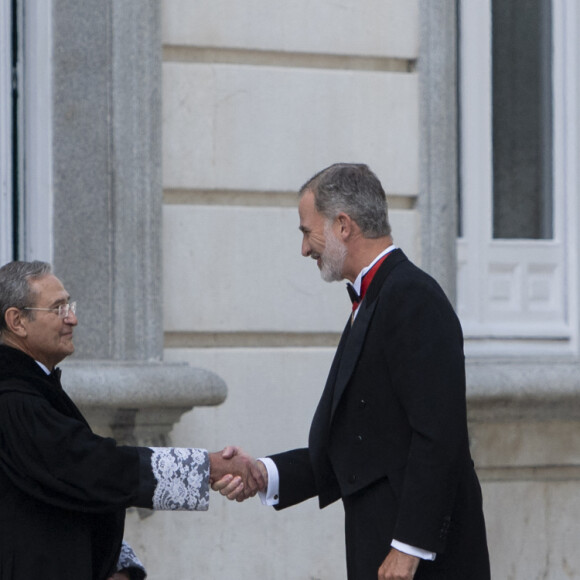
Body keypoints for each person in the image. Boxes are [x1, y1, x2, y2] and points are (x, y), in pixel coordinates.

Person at [216, 163, 490, 579]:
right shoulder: (377, 296)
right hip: (380, 545)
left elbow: (440, 435)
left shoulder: (413, 297)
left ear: (343, 225)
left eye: (308, 232)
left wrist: (409, 547)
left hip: (421, 561)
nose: (305, 249)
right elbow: (357, 442)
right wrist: (264, 473)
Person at [0, 260, 264, 580]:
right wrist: (208, 466)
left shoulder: (33, 387)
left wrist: (118, 565)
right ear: (17, 321)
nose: (73, 318)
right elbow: (92, 467)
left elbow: (66, 492)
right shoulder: (13, 400)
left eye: (70, 305)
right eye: (58, 308)